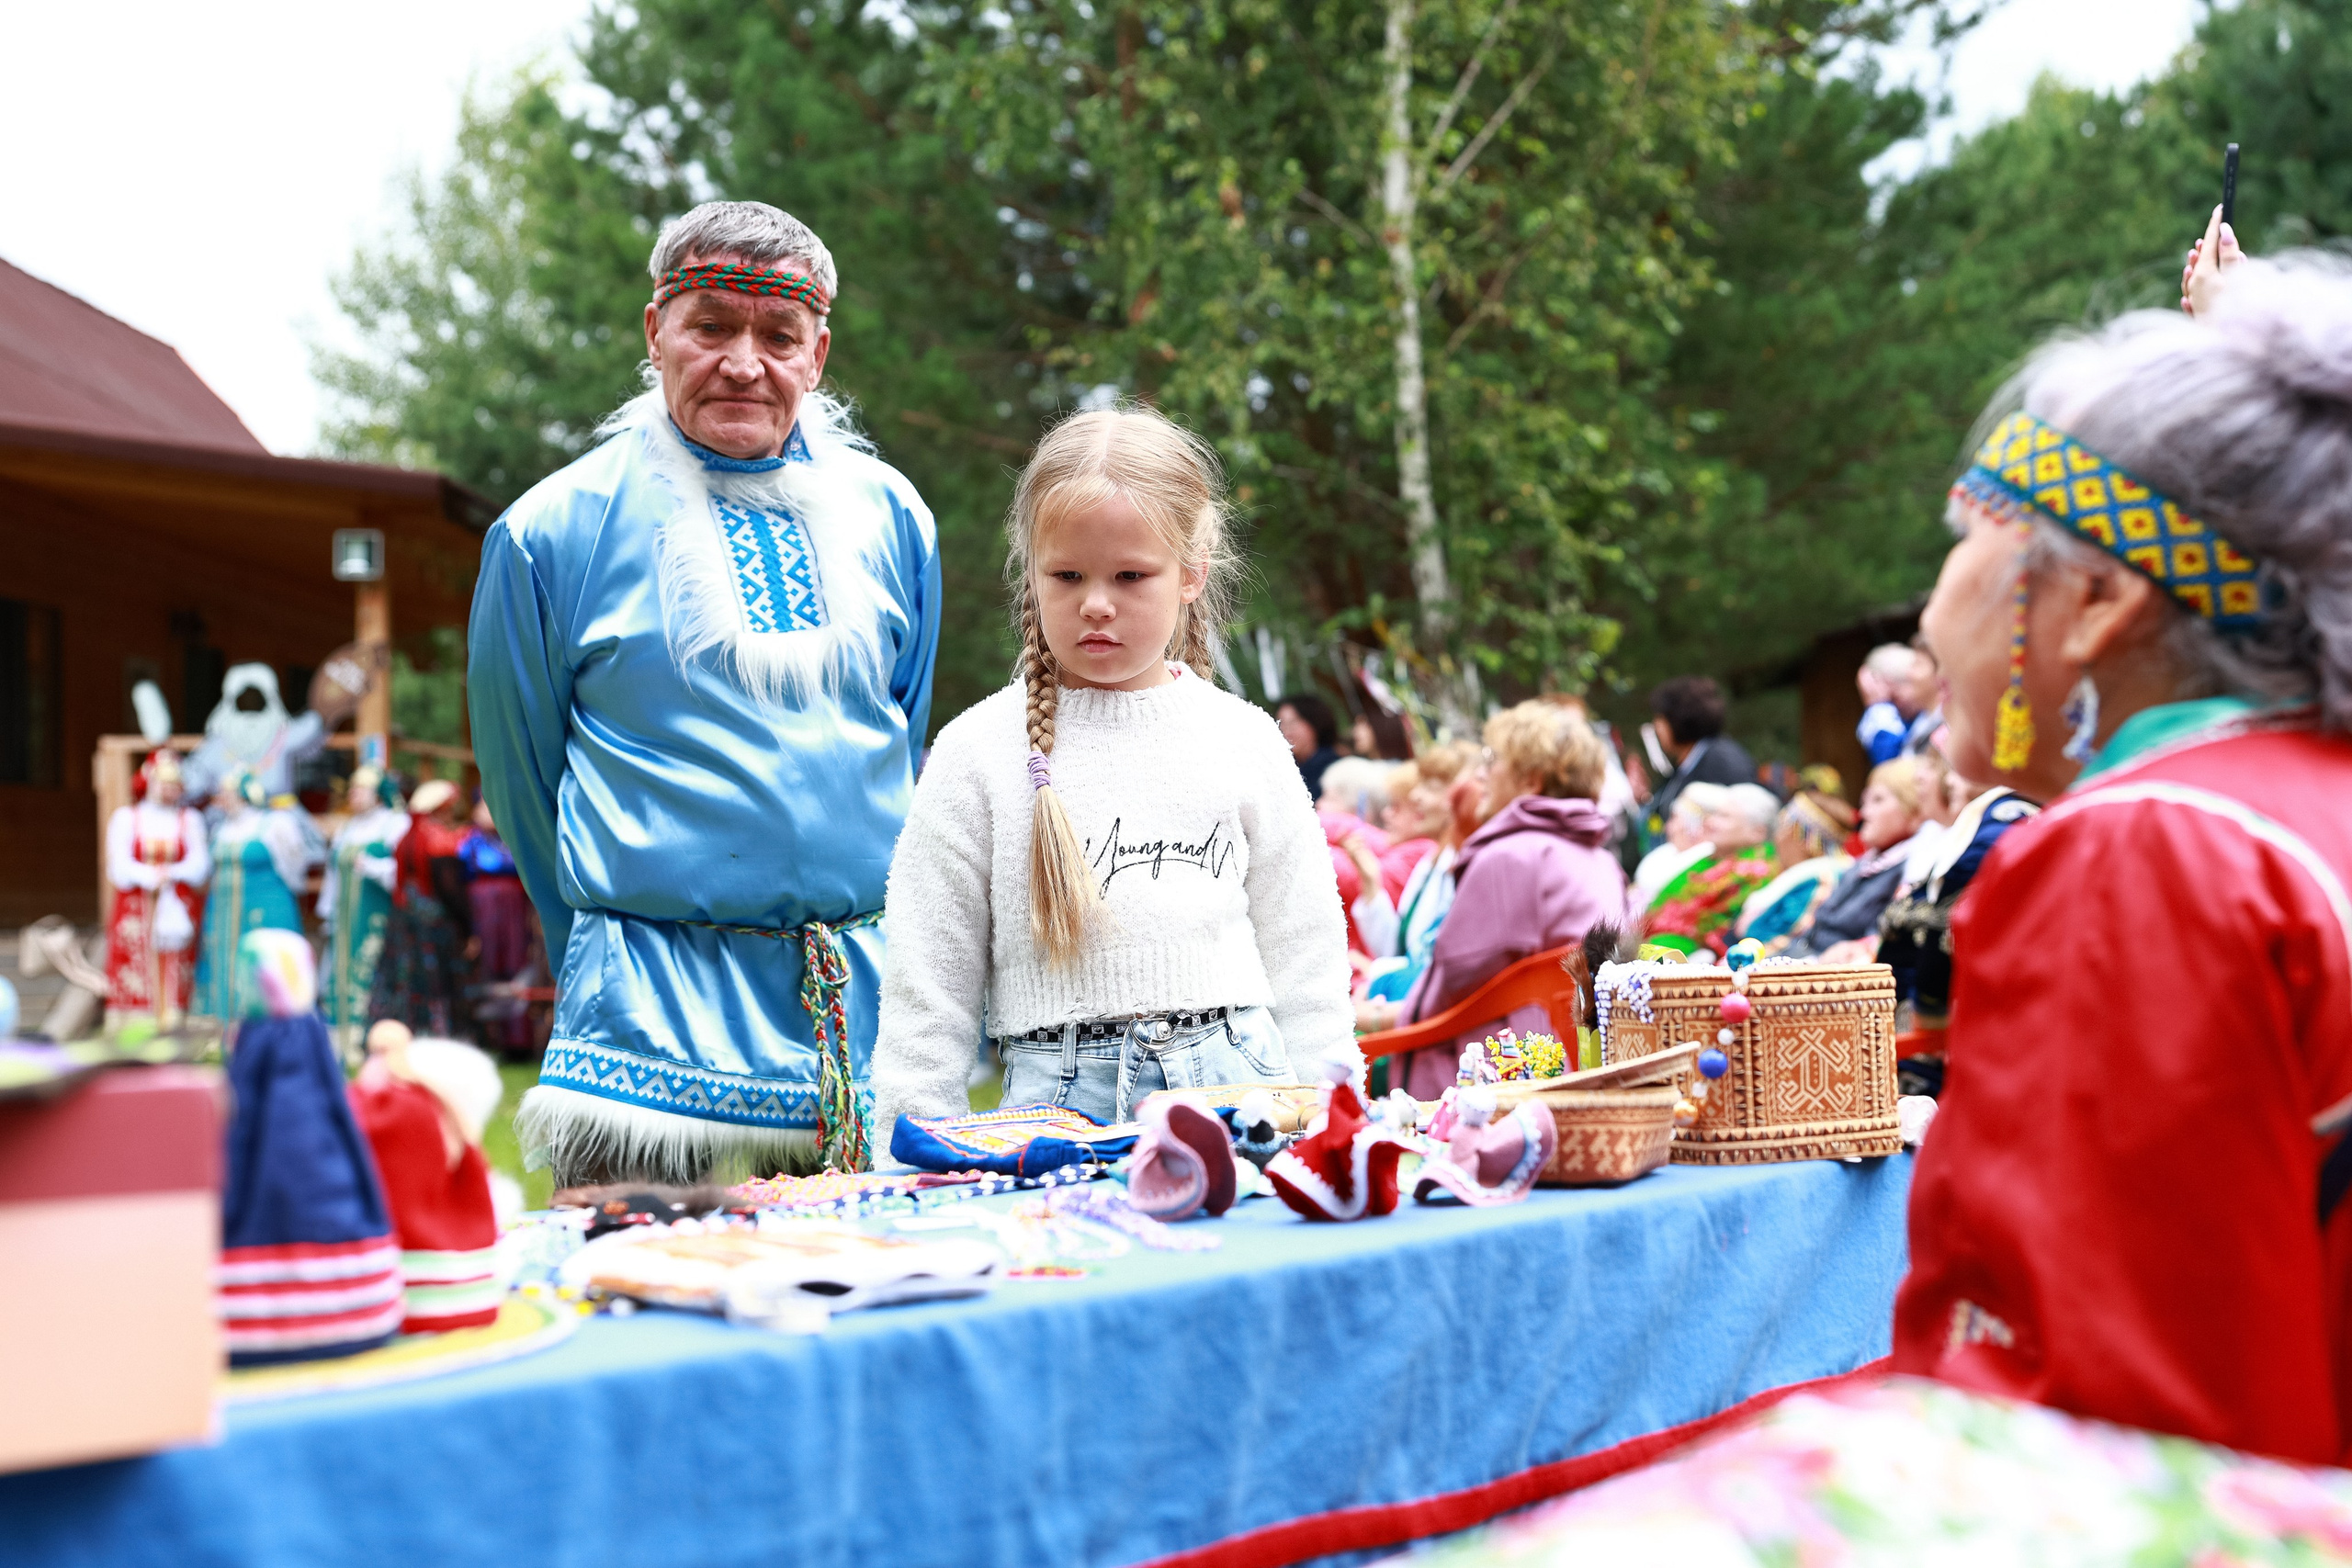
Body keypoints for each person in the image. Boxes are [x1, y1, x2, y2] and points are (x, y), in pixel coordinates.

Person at [1894, 253, 2352, 1463]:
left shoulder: (2145, 853)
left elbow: (2090, 1445)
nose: (1931, 606)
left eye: (1970, 536)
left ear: (2097, 599)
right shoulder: (2294, 821)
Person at [470, 200, 941, 1181]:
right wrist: (595, 953)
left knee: (855, 1299)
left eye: (777, 335)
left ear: (817, 353)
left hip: (841, 1001)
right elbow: (524, 783)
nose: (744, 363)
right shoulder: (548, 532)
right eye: (712, 327)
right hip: (638, 1006)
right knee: (624, 1295)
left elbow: (902, 739)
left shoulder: (895, 518)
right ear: (656, 333)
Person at [870, 406, 1350, 1138]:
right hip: (1053, 1116)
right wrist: (906, 1150)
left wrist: (1333, 1118)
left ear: (1190, 574)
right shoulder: (976, 753)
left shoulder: (1246, 739)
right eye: (1067, 574)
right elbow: (926, 983)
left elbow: (1306, 953)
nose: (1096, 602)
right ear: (1031, 571)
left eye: (1131, 575)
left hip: (1246, 1098)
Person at [1385, 702, 1630, 1099]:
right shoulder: (1601, 860)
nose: (1481, 773)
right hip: (1571, 1064)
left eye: (1492, 759)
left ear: (1531, 780)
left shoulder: (1509, 858)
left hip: (1484, 1077)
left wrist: (1381, 1021)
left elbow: (1454, 978)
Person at [1354, 742, 1479, 1018]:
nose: (1417, 796)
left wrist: (1376, 982)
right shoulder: (1432, 861)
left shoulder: (1465, 864)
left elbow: (1439, 969)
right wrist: (1370, 880)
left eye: (1432, 786)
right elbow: (1403, 948)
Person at [103, 748, 209, 1027]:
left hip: (178, 902)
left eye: (174, 784)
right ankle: (134, 1026)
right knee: (135, 964)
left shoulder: (190, 820)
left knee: (180, 963)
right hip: (137, 903)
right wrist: (148, 875)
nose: (168, 789)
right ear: (149, 781)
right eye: (163, 782)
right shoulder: (127, 817)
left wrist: (170, 873)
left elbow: (200, 863)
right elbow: (118, 864)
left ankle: (178, 1022)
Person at [1783, 757, 1928, 960]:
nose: (1864, 813)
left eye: (1878, 800)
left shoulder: (1912, 871)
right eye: (1864, 802)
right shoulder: (1865, 863)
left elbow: (1874, 947)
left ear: (1916, 809)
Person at [192, 769, 307, 1022]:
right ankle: (223, 1027)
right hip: (221, 912)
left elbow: (294, 865)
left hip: (265, 908)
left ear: (245, 794)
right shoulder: (221, 828)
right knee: (223, 964)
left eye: (228, 793)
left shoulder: (274, 824)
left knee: (264, 962)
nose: (222, 798)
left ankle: (271, 1029)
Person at [369, 779, 472, 1041]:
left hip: (405, 917)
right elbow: (449, 890)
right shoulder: (436, 837)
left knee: (406, 977)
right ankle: (440, 1031)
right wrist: (468, 925)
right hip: (431, 920)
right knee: (435, 978)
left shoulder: (407, 836)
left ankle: (406, 1030)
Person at [318, 766, 408, 1061]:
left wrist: (371, 867)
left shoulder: (395, 825)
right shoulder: (347, 828)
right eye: (353, 790)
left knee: (373, 971)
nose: (354, 795)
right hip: (345, 918)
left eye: (361, 790)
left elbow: (404, 872)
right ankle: (339, 1038)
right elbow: (333, 874)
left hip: (377, 916)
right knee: (338, 971)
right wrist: (327, 911)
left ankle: (371, 1038)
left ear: (378, 795)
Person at [1645, 783, 1781, 956]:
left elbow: (1716, 936)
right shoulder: (1714, 858)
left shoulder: (1756, 871)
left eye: (1724, 817)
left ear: (1758, 832)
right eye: (1715, 814)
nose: (1710, 822)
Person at [1734, 785, 1856, 952]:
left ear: (1805, 839)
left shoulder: (1820, 881)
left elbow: (1769, 937)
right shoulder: (1807, 877)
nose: (1778, 836)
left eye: (1785, 826)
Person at [1640, 676, 1758, 849]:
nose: (1656, 726)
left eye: (1660, 718)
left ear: (1679, 719)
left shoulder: (1723, 761)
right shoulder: (1687, 762)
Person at [457, 797, 534, 1053]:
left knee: (516, 965)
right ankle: (487, 1036)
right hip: (484, 908)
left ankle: (517, 1039)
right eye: (483, 807)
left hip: (515, 908)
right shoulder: (471, 841)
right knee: (488, 964)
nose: (488, 814)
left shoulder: (513, 838)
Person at [1632, 782, 1725, 909]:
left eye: (1674, 818)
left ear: (1694, 826)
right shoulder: (1669, 853)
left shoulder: (1704, 861)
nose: (1667, 828)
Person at [1855, 644, 1937, 766]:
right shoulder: (1914, 720)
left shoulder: (1937, 718)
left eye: (1894, 698)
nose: (1895, 708)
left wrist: (1878, 706)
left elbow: (1892, 766)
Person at [1277, 691, 1342, 799]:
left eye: (1292, 723)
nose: (1286, 731)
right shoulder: (1286, 771)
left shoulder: (1334, 767)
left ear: (1314, 722)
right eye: (1281, 724)